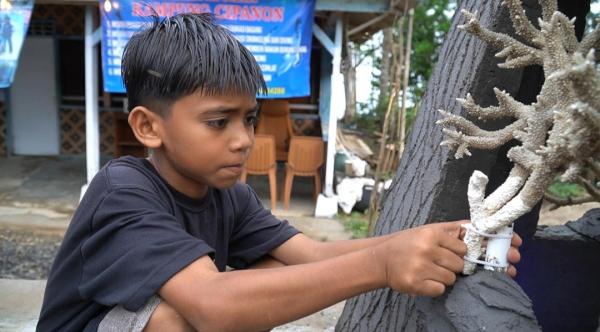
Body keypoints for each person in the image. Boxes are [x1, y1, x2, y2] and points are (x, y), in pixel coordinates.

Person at [37, 13, 522, 332]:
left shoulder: (226, 192)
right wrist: (384, 266)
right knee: (180, 319)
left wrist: (431, 240)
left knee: (270, 273)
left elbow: (313, 255)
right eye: (217, 121)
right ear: (148, 127)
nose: (243, 138)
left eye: (248, 118)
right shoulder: (122, 190)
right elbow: (213, 305)